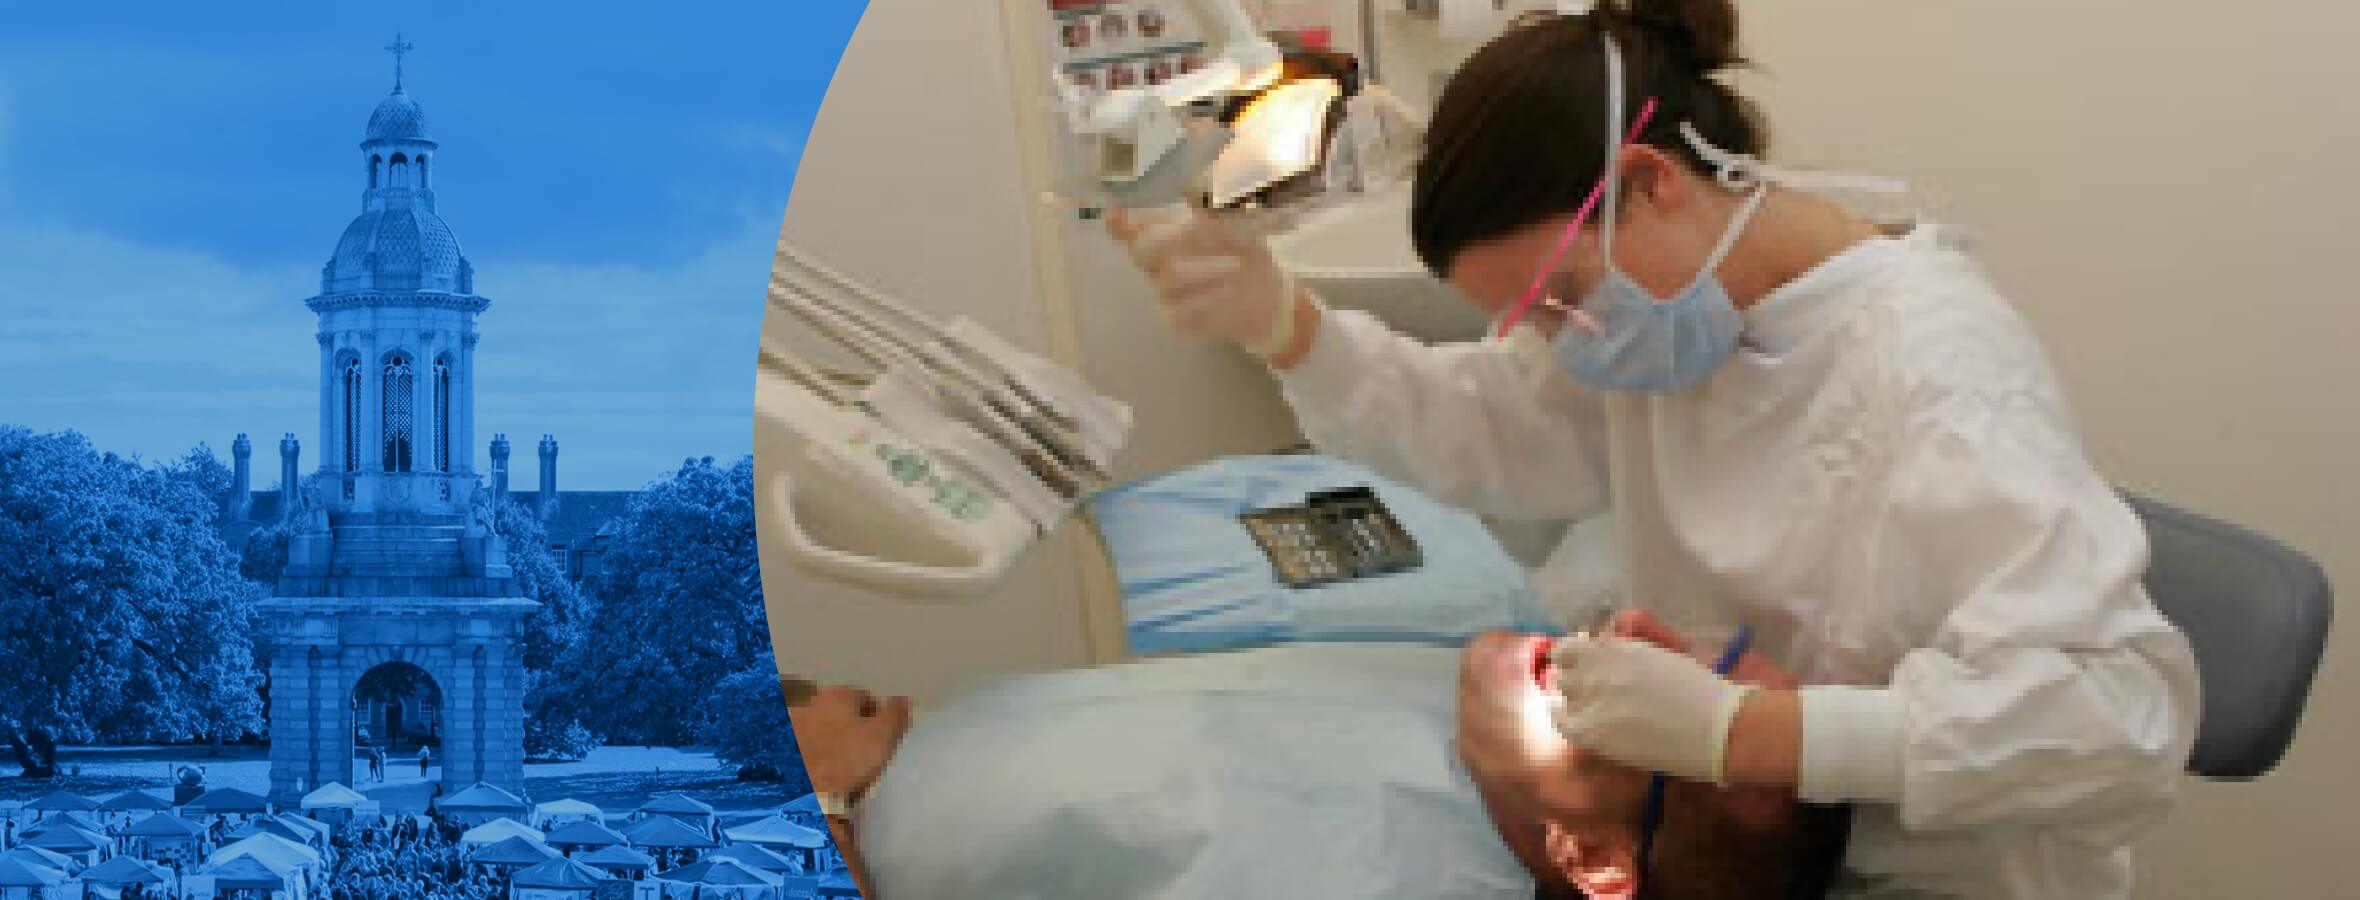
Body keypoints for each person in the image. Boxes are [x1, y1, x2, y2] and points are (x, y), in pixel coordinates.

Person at [1101, 1, 2200, 895]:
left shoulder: (1940, 378)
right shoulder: (1667, 318)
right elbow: (1496, 422)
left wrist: (1752, 733)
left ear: (1649, 184)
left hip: (1941, 871)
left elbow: (2119, 719)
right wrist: (1285, 326)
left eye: (1555, 296)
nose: (1549, 338)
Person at [791, 617, 1848, 899]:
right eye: (1711, 653)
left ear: (1593, 858)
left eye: (1675, 707)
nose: (1641, 631)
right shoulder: (1487, 725)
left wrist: (821, 810)